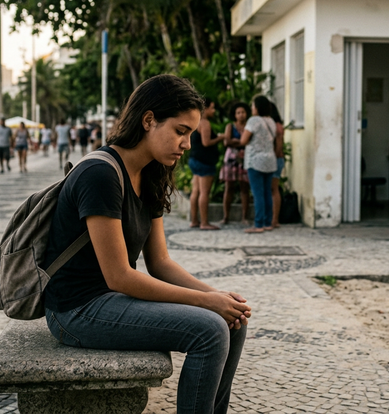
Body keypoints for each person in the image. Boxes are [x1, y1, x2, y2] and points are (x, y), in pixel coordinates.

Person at [43, 74, 249, 414]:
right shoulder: (100, 174)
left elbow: (161, 262)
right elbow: (120, 276)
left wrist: (219, 297)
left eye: (191, 135)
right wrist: (206, 302)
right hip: (76, 310)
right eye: (181, 131)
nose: (187, 144)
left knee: (232, 321)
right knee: (210, 331)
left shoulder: (151, 172)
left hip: (112, 300)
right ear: (149, 120)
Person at [239, 95, 277, 233]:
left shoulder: (254, 120)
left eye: (253, 105)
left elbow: (243, 141)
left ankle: (258, 224)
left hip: (255, 161)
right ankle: (267, 223)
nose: (251, 108)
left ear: (257, 107)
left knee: (257, 194)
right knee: (267, 192)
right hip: (270, 160)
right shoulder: (271, 121)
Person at [188, 100, 225, 230]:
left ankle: (194, 220)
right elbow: (206, 142)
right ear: (205, 108)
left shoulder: (195, 121)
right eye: (212, 108)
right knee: (204, 193)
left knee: (196, 191)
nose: (214, 111)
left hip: (195, 159)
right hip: (204, 161)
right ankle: (204, 222)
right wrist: (221, 137)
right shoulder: (204, 123)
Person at [219, 101, 250, 225]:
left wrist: (235, 141)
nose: (241, 115)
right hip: (231, 159)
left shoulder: (249, 126)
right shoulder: (230, 126)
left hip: (245, 159)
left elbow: (247, 142)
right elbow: (226, 142)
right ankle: (226, 217)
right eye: (238, 113)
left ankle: (244, 217)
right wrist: (240, 142)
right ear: (234, 114)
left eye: (243, 112)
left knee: (244, 188)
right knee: (229, 187)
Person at [269, 102, 285, 228]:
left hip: (276, 159)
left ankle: (275, 219)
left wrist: (272, 157)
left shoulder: (276, 126)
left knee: (274, 189)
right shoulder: (274, 125)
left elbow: (279, 146)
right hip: (275, 159)